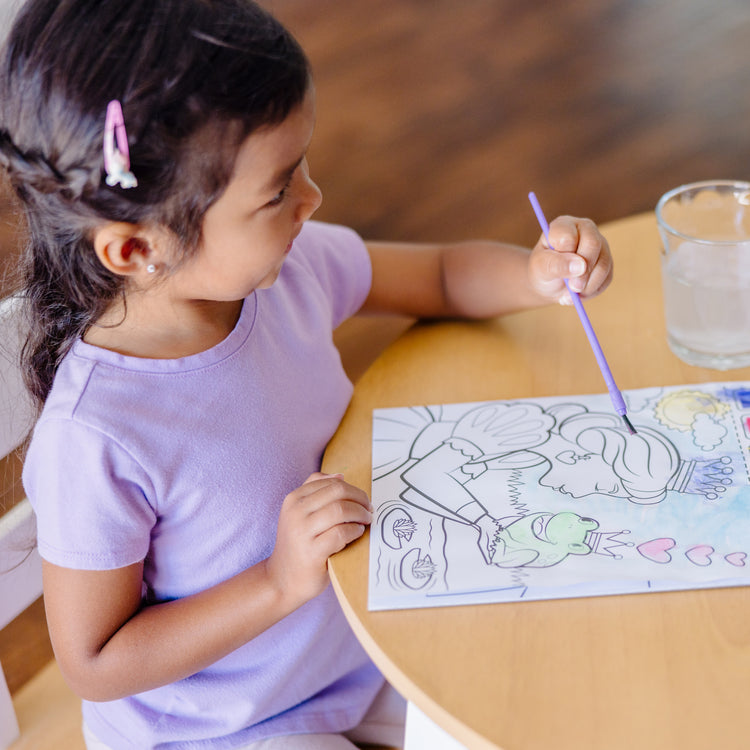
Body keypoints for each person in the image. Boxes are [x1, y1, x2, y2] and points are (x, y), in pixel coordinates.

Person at [0, 1, 613, 748]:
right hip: (221, 728)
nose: (312, 198)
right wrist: (279, 580)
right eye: (278, 189)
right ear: (134, 250)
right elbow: (96, 662)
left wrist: (540, 273)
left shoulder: (283, 272)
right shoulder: (96, 436)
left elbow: (445, 276)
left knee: (556, 699)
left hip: (361, 644)